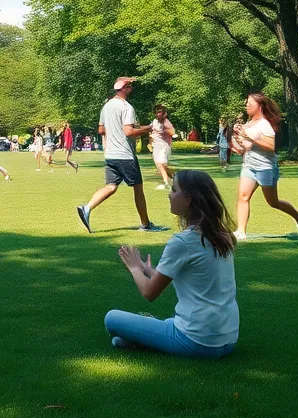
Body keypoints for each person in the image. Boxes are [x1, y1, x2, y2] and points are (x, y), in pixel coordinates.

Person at [105, 170, 237, 359]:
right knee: (129, 336)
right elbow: (195, 282)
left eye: (174, 190)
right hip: (227, 340)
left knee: (112, 318)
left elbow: (149, 292)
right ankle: (143, 337)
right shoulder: (222, 235)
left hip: (196, 341)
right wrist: (148, 270)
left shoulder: (183, 241)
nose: (170, 195)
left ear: (188, 199)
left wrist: (134, 268)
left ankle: (145, 337)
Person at [77, 77, 164, 233]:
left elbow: (101, 130)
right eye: (129, 86)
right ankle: (145, 225)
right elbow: (128, 131)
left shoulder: (107, 106)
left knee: (111, 187)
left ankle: (86, 208)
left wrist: (117, 130)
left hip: (110, 154)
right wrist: (148, 129)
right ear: (124, 88)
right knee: (138, 189)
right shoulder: (126, 107)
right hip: (125, 155)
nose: (131, 88)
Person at [229, 93, 298, 240]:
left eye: (250, 103)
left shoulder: (265, 124)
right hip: (249, 166)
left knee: (273, 202)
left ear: (260, 106)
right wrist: (238, 142)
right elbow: (245, 148)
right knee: (243, 197)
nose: (247, 106)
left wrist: (248, 137)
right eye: (246, 103)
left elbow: (271, 147)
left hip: (265, 168)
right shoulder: (248, 124)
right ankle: (241, 231)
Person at [150, 105, 175, 190]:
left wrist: (166, 131)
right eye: (157, 112)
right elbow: (150, 129)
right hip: (156, 146)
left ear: (164, 114)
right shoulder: (154, 121)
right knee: (160, 166)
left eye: (160, 112)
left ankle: (166, 182)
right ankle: (175, 178)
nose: (158, 114)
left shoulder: (166, 122)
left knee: (161, 164)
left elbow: (172, 131)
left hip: (164, 146)